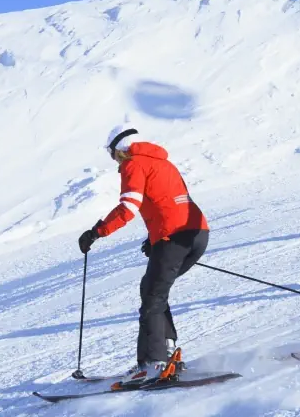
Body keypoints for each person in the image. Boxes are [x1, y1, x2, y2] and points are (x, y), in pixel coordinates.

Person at [78, 126, 209, 384]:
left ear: (120, 149)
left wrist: (96, 232)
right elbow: (168, 201)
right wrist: (154, 239)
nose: (113, 159)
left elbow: (128, 208)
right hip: (196, 233)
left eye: (111, 153)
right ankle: (167, 352)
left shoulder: (134, 164)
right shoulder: (163, 163)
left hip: (175, 237)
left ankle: (153, 363)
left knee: (152, 294)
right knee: (154, 289)